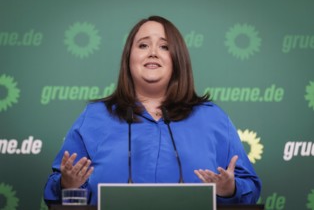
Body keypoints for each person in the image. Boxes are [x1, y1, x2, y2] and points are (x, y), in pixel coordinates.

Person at [44, 15, 261, 206]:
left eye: (164, 46)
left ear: (178, 59)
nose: (153, 53)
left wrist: (229, 190)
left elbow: (249, 187)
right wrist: (67, 184)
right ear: (129, 58)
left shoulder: (212, 118)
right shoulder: (95, 116)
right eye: (143, 45)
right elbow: (55, 188)